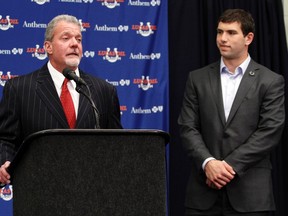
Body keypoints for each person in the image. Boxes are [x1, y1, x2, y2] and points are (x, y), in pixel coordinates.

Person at [178, 9, 285, 216]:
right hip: (203, 195)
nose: (222, 39)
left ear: (249, 38)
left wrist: (226, 167)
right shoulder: (197, 78)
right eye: (219, 32)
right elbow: (187, 126)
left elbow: (270, 132)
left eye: (231, 32)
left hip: (251, 198)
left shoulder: (270, 81)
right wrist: (208, 163)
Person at [0, 14, 122, 185]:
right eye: (66, 38)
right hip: (38, 191)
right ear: (48, 47)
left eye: (78, 39)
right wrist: (4, 162)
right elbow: (5, 139)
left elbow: (117, 144)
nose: (74, 44)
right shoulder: (19, 89)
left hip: (92, 192)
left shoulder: (104, 91)